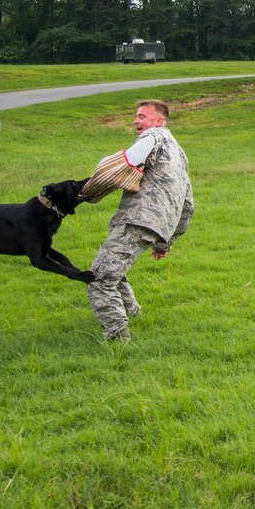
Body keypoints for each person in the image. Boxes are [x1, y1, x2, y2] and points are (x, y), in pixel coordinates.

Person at [87, 99, 194, 341]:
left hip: (138, 221)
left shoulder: (153, 137)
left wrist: (87, 191)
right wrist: (166, 241)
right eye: (136, 116)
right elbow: (188, 204)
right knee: (112, 267)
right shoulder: (179, 153)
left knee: (99, 277)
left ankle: (117, 338)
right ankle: (133, 313)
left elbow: (125, 162)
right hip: (157, 226)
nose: (136, 121)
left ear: (160, 121)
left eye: (142, 117)